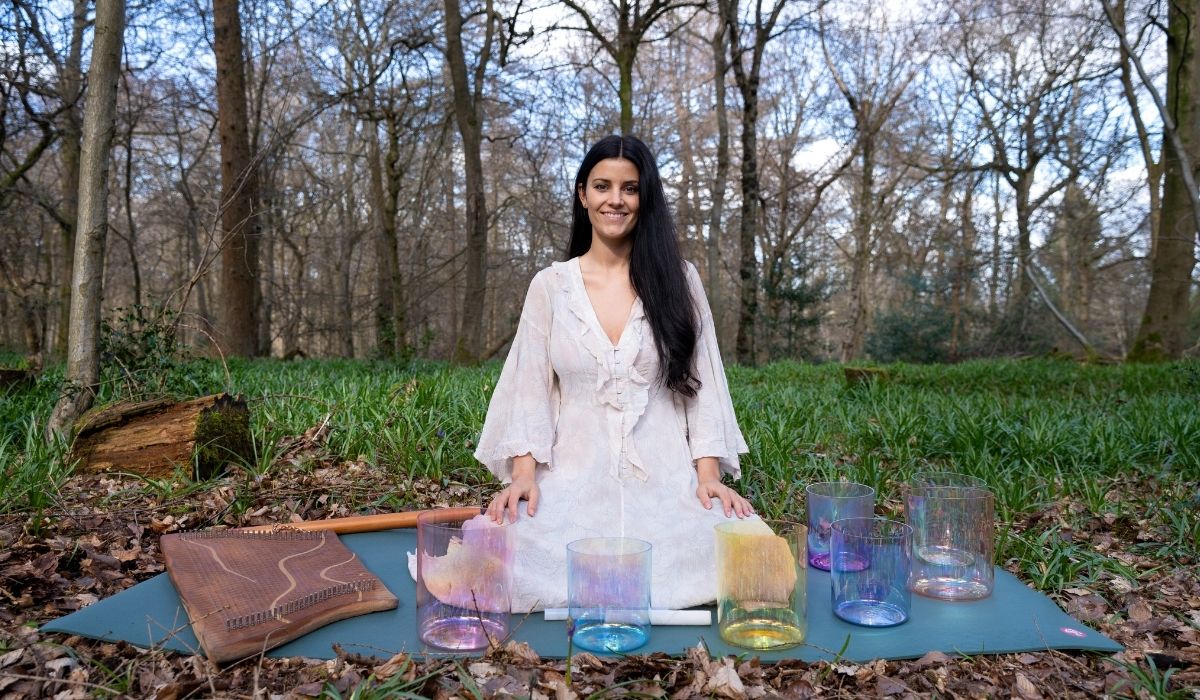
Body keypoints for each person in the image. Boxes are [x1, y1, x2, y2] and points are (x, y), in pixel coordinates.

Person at [475, 134, 753, 612]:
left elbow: (701, 383)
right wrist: (524, 475)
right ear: (583, 194)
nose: (616, 200)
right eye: (603, 186)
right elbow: (529, 388)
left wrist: (708, 475)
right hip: (572, 478)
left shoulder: (679, 279)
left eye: (630, 188)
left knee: (751, 554)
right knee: (492, 559)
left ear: (645, 199)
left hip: (665, 483)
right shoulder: (551, 286)